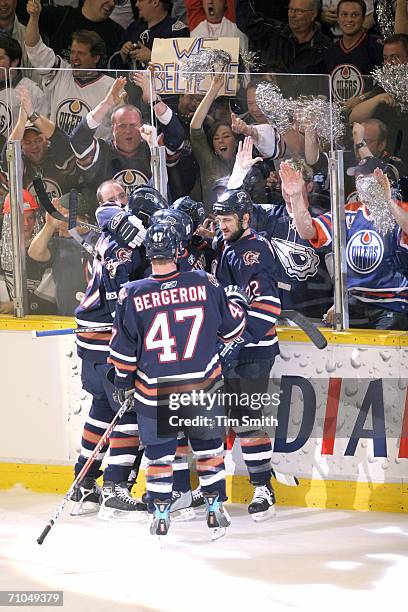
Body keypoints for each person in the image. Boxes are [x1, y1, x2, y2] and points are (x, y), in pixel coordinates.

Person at [109, 221, 247, 536]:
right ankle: (214, 508)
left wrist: (122, 383)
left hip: (155, 391)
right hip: (202, 387)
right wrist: (238, 301)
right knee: (210, 450)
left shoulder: (131, 293)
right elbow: (231, 332)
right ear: (178, 250)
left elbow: (124, 354)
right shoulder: (206, 282)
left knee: (159, 455)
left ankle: (159, 514)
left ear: (148, 253)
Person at [70, 186, 167, 521]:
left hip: (90, 340)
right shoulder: (127, 246)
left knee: (100, 410)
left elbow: (105, 212)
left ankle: (83, 482)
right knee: (127, 414)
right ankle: (114, 489)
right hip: (106, 341)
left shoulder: (117, 238)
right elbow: (122, 307)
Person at [212, 187, 282, 521]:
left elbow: (268, 307)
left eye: (227, 219)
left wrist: (236, 341)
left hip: (253, 351)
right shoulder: (226, 246)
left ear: (245, 218)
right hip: (228, 349)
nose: (221, 225)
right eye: (219, 218)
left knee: (246, 419)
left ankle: (262, 488)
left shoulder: (256, 251)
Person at [280, 158, 408, 329]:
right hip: (354, 302)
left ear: (384, 179)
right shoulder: (349, 211)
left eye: (366, 178)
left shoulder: (401, 210)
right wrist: (296, 198)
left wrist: (388, 201)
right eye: (358, 179)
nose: (361, 183)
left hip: (392, 305)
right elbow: (308, 231)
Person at [228, 138, 333, 320]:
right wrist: (239, 172)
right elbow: (230, 209)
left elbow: (338, 269)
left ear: (309, 186)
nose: (288, 186)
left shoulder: (323, 221)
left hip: (313, 317)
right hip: (271, 316)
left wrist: (338, 304)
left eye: (294, 179)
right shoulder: (268, 215)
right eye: (285, 179)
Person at [70, 75, 185, 205]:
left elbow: (177, 135)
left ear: (141, 126)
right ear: (113, 129)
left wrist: (154, 101)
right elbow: (78, 139)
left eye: (133, 125)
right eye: (122, 126)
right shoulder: (102, 152)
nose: (128, 131)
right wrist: (106, 104)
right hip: (110, 222)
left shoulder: (152, 147)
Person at [25, 1, 115, 137]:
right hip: (58, 153)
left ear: (96, 58)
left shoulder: (112, 87)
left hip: (93, 156)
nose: (75, 58)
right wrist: (34, 17)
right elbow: (34, 48)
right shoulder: (60, 73)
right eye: (73, 52)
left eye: (81, 53)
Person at [3, 86, 78, 203]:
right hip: (30, 220)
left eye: (38, 140)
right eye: (28, 142)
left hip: (61, 219)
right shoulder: (21, 163)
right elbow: (8, 154)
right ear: (21, 145)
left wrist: (32, 114)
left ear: (46, 140)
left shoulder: (56, 156)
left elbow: (60, 140)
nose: (34, 146)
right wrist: (21, 121)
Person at [27, 192, 93, 316]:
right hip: (66, 319)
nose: (56, 216)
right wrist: (49, 225)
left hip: (95, 320)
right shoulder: (59, 244)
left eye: (60, 212)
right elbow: (34, 253)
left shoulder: (97, 240)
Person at [0, 189, 58, 315]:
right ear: (8, 220)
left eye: (30, 218)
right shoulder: (1, 250)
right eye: (21, 218)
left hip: (40, 321)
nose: (26, 224)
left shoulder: (47, 247)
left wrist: (17, 305)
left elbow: (49, 294)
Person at [235, 0, 331, 73]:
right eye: (290, 9)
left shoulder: (324, 47)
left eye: (299, 11)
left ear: (313, 15)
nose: (292, 15)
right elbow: (247, 22)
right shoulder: (274, 32)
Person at [23, 0, 123, 62]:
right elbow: (34, 48)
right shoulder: (61, 16)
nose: (112, 3)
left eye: (115, 0)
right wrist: (34, 16)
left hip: (99, 93)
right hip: (60, 87)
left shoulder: (118, 33)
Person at [324, 0, 383, 104]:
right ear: (337, 18)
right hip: (335, 115)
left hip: (369, 116)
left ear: (363, 18)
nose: (349, 19)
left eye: (354, 15)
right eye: (344, 15)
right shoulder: (329, 52)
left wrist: (362, 99)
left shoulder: (377, 48)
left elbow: (384, 87)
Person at [108, 0, 189, 70]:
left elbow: (184, 65)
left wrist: (153, 57)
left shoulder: (178, 30)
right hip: (131, 86)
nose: (136, 4)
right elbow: (112, 67)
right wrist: (122, 55)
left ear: (155, 2)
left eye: (140, 0)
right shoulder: (133, 27)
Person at [0, 35, 47, 142]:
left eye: (0, 58)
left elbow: (40, 132)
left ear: (15, 61)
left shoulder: (32, 91)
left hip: (16, 155)